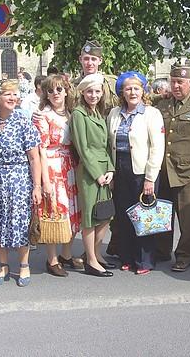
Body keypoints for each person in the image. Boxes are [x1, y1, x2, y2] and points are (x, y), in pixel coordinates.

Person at [0, 79, 42, 287]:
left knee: (19, 222)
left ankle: (24, 265)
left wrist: (37, 186)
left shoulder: (23, 121)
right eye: (8, 94)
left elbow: (34, 157)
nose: (13, 98)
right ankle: (3, 265)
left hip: (19, 178)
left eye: (15, 94)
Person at [155, 62, 190, 272]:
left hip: (189, 171)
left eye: (180, 82)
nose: (176, 86)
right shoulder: (162, 105)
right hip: (164, 169)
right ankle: (161, 251)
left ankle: (185, 255)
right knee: (162, 213)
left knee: (188, 219)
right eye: (173, 82)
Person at [107, 71, 165, 275]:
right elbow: (109, 145)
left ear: (143, 91)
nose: (132, 92)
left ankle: (145, 260)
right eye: (128, 88)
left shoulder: (151, 114)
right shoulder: (114, 113)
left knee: (143, 216)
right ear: (122, 91)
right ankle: (127, 257)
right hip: (120, 168)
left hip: (142, 171)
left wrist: (151, 177)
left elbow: (157, 147)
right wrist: (111, 172)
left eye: (136, 88)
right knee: (123, 217)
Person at [71, 40, 120, 256]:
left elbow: (129, 98)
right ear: (81, 60)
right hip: (83, 153)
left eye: (93, 58)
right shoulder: (73, 85)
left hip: (104, 145)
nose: (89, 62)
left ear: (100, 60)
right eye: (86, 58)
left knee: (104, 211)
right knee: (88, 211)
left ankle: (93, 254)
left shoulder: (110, 83)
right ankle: (86, 255)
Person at [34, 74, 82, 277]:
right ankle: (51, 259)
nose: (55, 93)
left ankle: (66, 254)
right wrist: (45, 180)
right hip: (52, 166)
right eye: (51, 90)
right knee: (54, 211)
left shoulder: (71, 113)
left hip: (69, 165)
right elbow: (41, 150)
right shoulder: (43, 115)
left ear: (66, 91)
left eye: (59, 89)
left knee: (72, 211)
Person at [70, 73, 115, 277]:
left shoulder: (98, 112)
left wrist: (110, 170)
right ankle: (90, 260)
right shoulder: (79, 114)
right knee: (90, 216)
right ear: (83, 92)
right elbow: (83, 147)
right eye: (90, 91)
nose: (94, 95)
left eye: (97, 91)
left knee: (105, 214)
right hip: (89, 171)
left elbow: (106, 145)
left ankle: (97, 253)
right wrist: (97, 173)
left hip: (104, 168)